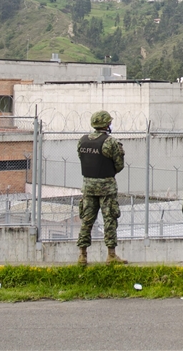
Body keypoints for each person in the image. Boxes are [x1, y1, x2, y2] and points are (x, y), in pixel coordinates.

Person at [76, 110, 126, 266]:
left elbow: (82, 159)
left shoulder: (82, 141)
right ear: (107, 124)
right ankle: (111, 255)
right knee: (109, 220)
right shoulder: (110, 142)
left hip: (88, 186)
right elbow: (119, 165)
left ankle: (82, 255)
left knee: (86, 221)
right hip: (106, 187)